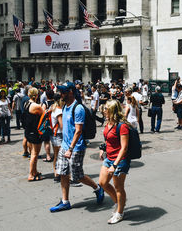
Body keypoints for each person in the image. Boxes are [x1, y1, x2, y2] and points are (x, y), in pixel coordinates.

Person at [50, 82, 104, 213]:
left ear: (70, 92)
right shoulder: (64, 107)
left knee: (77, 176)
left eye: (62, 92)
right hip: (65, 146)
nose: (60, 94)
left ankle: (97, 188)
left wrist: (70, 148)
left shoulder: (78, 108)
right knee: (63, 173)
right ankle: (65, 202)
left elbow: (78, 131)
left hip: (76, 148)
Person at [98, 100, 131, 224]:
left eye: (106, 109)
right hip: (109, 158)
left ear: (112, 110)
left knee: (118, 187)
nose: (104, 111)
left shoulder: (122, 126)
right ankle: (118, 202)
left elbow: (124, 147)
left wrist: (115, 165)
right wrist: (103, 149)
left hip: (120, 160)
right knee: (102, 183)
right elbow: (108, 140)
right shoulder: (108, 123)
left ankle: (120, 212)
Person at [23, 87, 44, 181]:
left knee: (32, 153)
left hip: (28, 131)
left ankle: (34, 171)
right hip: (35, 132)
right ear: (36, 95)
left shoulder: (26, 103)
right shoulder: (36, 106)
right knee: (35, 154)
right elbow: (43, 115)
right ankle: (31, 174)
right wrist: (43, 107)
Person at [50, 93, 64, 182]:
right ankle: (61, 174)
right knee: (61, 156)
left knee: (56, 155)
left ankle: (56, 174)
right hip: (59, 134)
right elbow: (62, 125)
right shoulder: (59, 110)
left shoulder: (52, 108)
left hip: (53, 134)